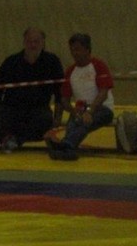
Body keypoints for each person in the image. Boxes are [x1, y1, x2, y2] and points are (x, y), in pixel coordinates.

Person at [0, 27, 62, 157]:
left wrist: (57, 119)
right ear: (24, 42)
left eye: (36, 41)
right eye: (29, 41)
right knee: (0, 122)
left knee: (45, 121)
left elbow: (60, 92)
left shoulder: (52, 61)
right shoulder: (11, 61)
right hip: (11, 108)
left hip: (38, 110)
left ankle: (14, 141)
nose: (33, 45)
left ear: (43, 42)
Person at [43, 33, 115, 161]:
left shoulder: (99, 66)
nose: (74, 53)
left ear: (87, 49)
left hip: (102, 108)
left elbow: (103, 93)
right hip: (81, 109)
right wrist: (73, 111)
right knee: (73, 124)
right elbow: (64, 99)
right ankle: (68, 150)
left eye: (77, 49)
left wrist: (90, 111)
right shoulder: (70, 71)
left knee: (83, 122)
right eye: (72, 50)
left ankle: (66, 145)